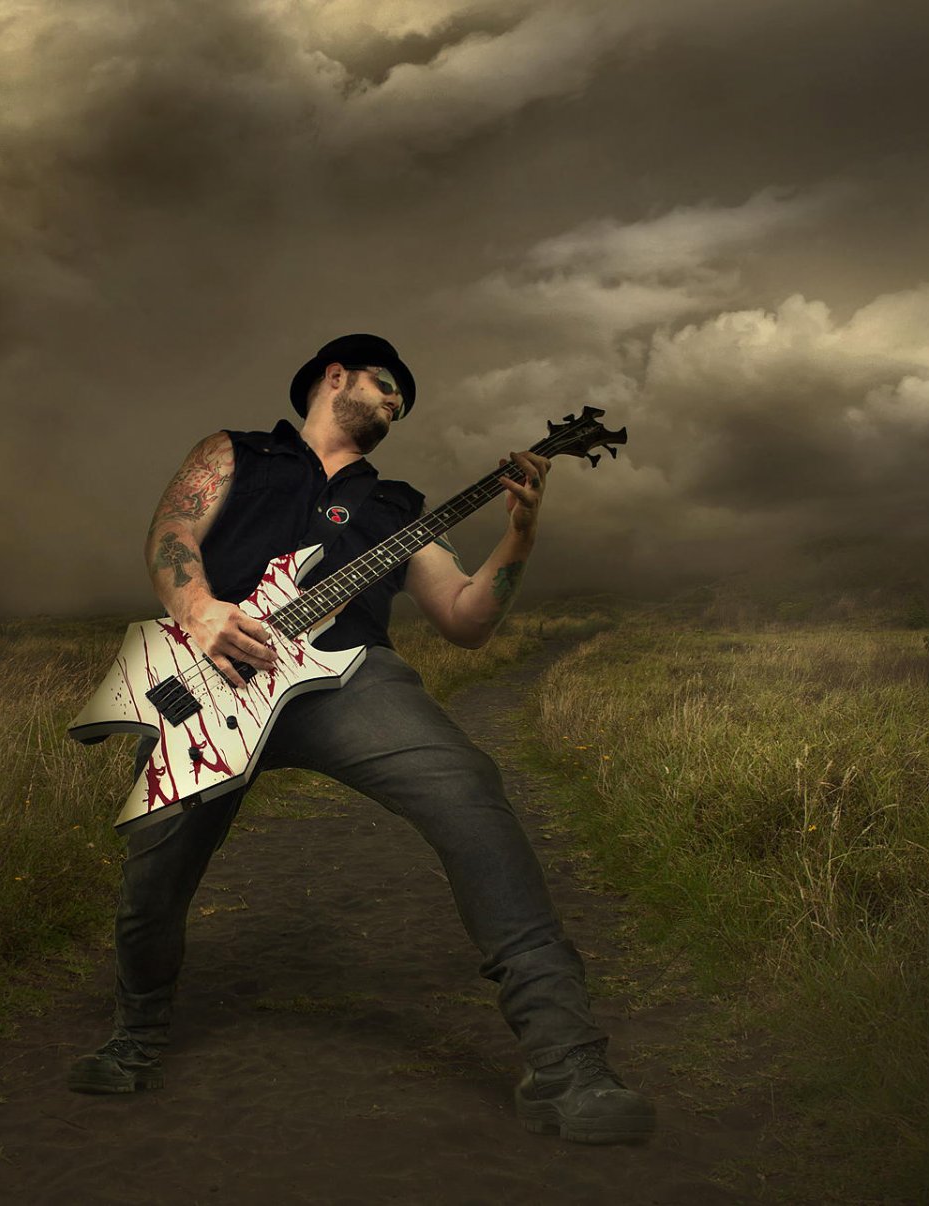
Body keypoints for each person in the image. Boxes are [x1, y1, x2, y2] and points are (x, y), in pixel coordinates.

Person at [66, 333, 655, 1144]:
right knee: (155, 871)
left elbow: (467, 622)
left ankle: (569, 1064)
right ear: (333, 376)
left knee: (468, 789)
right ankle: (136, 1035)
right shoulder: (237, 452)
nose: (396, 404)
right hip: (215, 674)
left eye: (403, 401)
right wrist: (200, 610)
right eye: (385, 386)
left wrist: (519, 531)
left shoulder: (398, 507)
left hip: (348, 678)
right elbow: (174, 531)